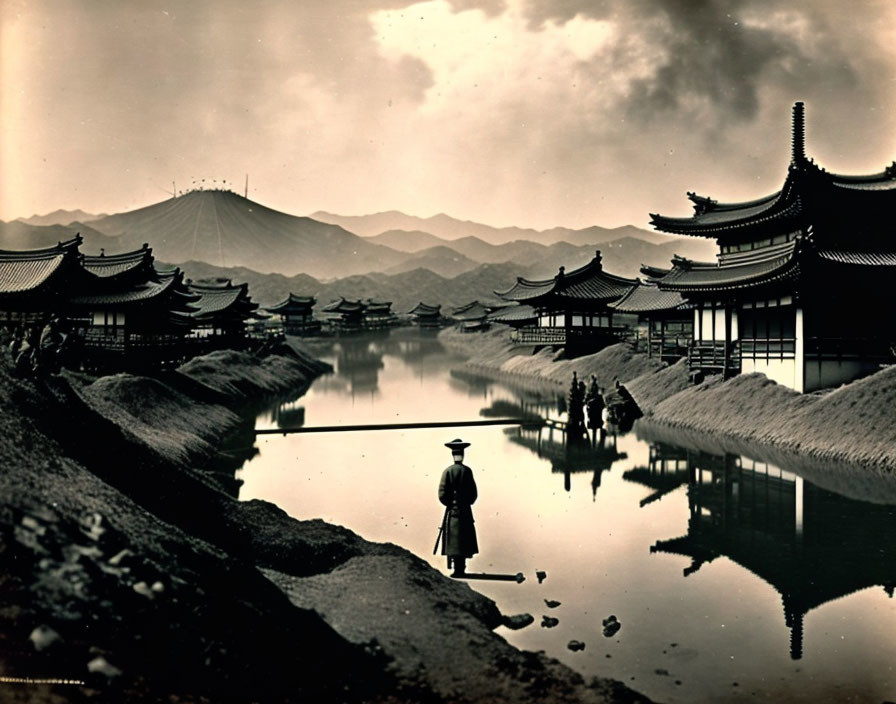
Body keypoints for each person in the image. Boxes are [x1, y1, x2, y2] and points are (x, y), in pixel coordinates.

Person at [438, 438, 479, 577]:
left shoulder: (447, 471)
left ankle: (457, 570)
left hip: (453, 512)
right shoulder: (467, 471)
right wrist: (465, 502)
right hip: (465, 511)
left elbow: (442, 495)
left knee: (454, 541)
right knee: (463, 541)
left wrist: (451, 503)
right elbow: (473, 494)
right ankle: (461, 569)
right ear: (462, 455)